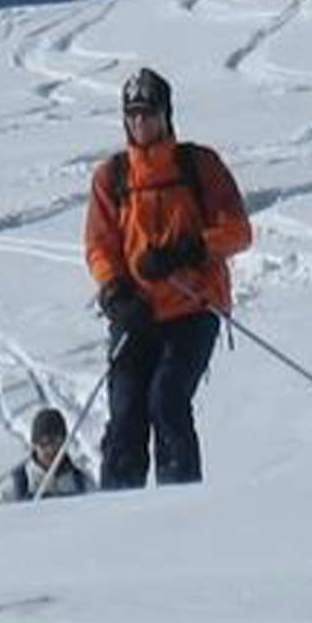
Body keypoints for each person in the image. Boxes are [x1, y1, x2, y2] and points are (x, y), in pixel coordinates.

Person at [83, 68, 252, 488]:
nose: (141, 123)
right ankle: (112, 516)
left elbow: (238, 231)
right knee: (125, 414)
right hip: (136, 315)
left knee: (167, 401)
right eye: (133, 115)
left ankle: (178, 511)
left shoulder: (200, 165)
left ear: (167, 115)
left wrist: (189, 249)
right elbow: (99, 246)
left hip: (193, 308)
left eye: (149, 113)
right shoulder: (112, 176)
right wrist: (117, 292)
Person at [0, 407, 92, 503]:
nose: (51, 450)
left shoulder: (81, 483)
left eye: (57, 442)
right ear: (34, 445)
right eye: (44, 443)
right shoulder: (19, 484)